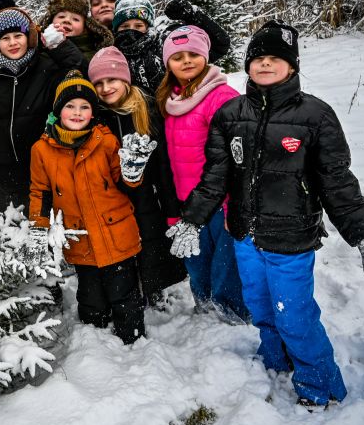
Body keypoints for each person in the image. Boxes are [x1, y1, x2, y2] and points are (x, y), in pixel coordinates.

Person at [169, 20, 364, 410]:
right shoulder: (230, 114)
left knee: (294, 314)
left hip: (292, 238)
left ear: (291, 65)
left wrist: (362, 230)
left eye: (275, 58)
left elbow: (337, 182)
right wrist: (191, 219)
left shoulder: (316, 116)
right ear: (247, 64)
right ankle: (275, 362)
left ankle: (319, 385)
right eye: (258, 57)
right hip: (245, 235)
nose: (264, 64)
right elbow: (215, 177)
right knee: (261, 308)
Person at [28, 71, 156, 343]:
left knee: (125, 294)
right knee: (91, 297)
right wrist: (38, 229)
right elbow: (40, 192)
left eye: (84, 106)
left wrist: (133, 172)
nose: (77, 112)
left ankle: (133, 340)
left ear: (92, 111)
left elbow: (125, 183)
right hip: (80, 238)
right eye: (70, 106)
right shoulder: (42, 149)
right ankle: (94, 342)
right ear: (58, 111)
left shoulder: (106, 140)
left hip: (117, 234)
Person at [0, 3, 84, 211]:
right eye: (5, 38)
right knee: (9, 233)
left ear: (28, 37)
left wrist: (61, 47)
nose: (12, 43)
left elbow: (80, 71)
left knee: (41, 229)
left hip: (41, 169)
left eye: (17, 36)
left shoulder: (47, 69)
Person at [157, 25, 248, 322]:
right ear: (167, 62)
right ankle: (205, 311)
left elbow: (237, 156)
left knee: (225, 266)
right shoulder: (169, 99)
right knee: (196, 263)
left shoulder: (221, 96)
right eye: (177, 56)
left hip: (220, 200)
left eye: (193, 54)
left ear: (206, 57)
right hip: (188, 202)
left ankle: (231, 317)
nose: (186, 61)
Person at [88, 47, 186, 306]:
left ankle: (156, 289)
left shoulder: (147, 108)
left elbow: (164, 163)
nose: (106, 88)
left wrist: (171, 206)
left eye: (112, 80)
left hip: (148, 192)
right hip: (115, 194)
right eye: (99, 83)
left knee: (151, 240)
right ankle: (131, 292)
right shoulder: (97, 116)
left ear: (125, 80)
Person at [112, 0, 230, 95]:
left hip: (175, 115)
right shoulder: (112, 55)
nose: (132, 30)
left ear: (148, 26)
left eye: (139, 26)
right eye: (125, 26)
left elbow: (220, 44)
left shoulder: (165, 43)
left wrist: (192, 15)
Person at [40, 0, 114, 62]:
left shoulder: (95, 56)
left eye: (76, 19)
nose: (67, 20)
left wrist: (63, 46)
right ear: (50, 20)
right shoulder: (38, 50)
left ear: (85, 27)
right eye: (61, 16)